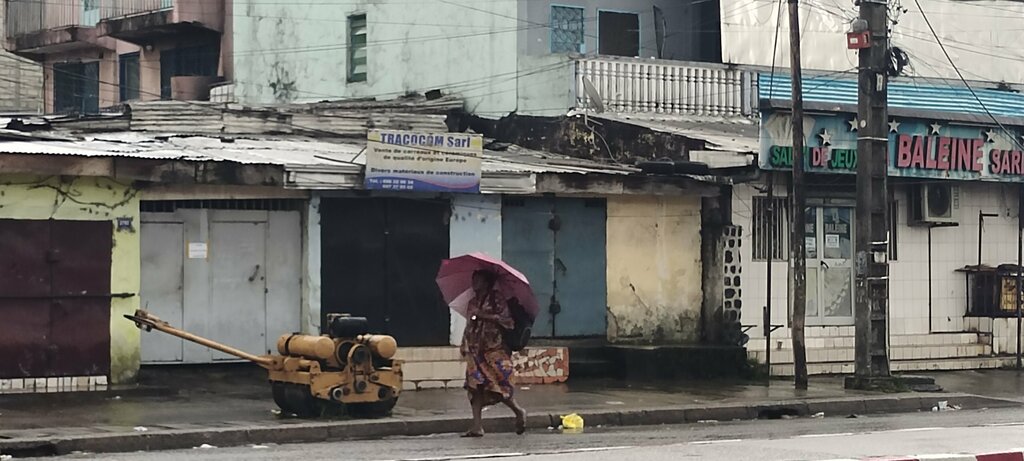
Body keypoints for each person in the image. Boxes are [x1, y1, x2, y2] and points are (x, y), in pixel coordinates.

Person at [459, 269, 527, 437]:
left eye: (478, 280)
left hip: (495, 350)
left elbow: (507, 321)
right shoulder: (473, 302)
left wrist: (483, 315)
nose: (474, 283)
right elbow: (469, 325)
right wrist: (464, 344)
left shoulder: (497, 299)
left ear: (487, 282)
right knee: (475, 388)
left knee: (498, 388)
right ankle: (477, 426)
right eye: (473, 279)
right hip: (476, 350)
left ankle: (518, 411)